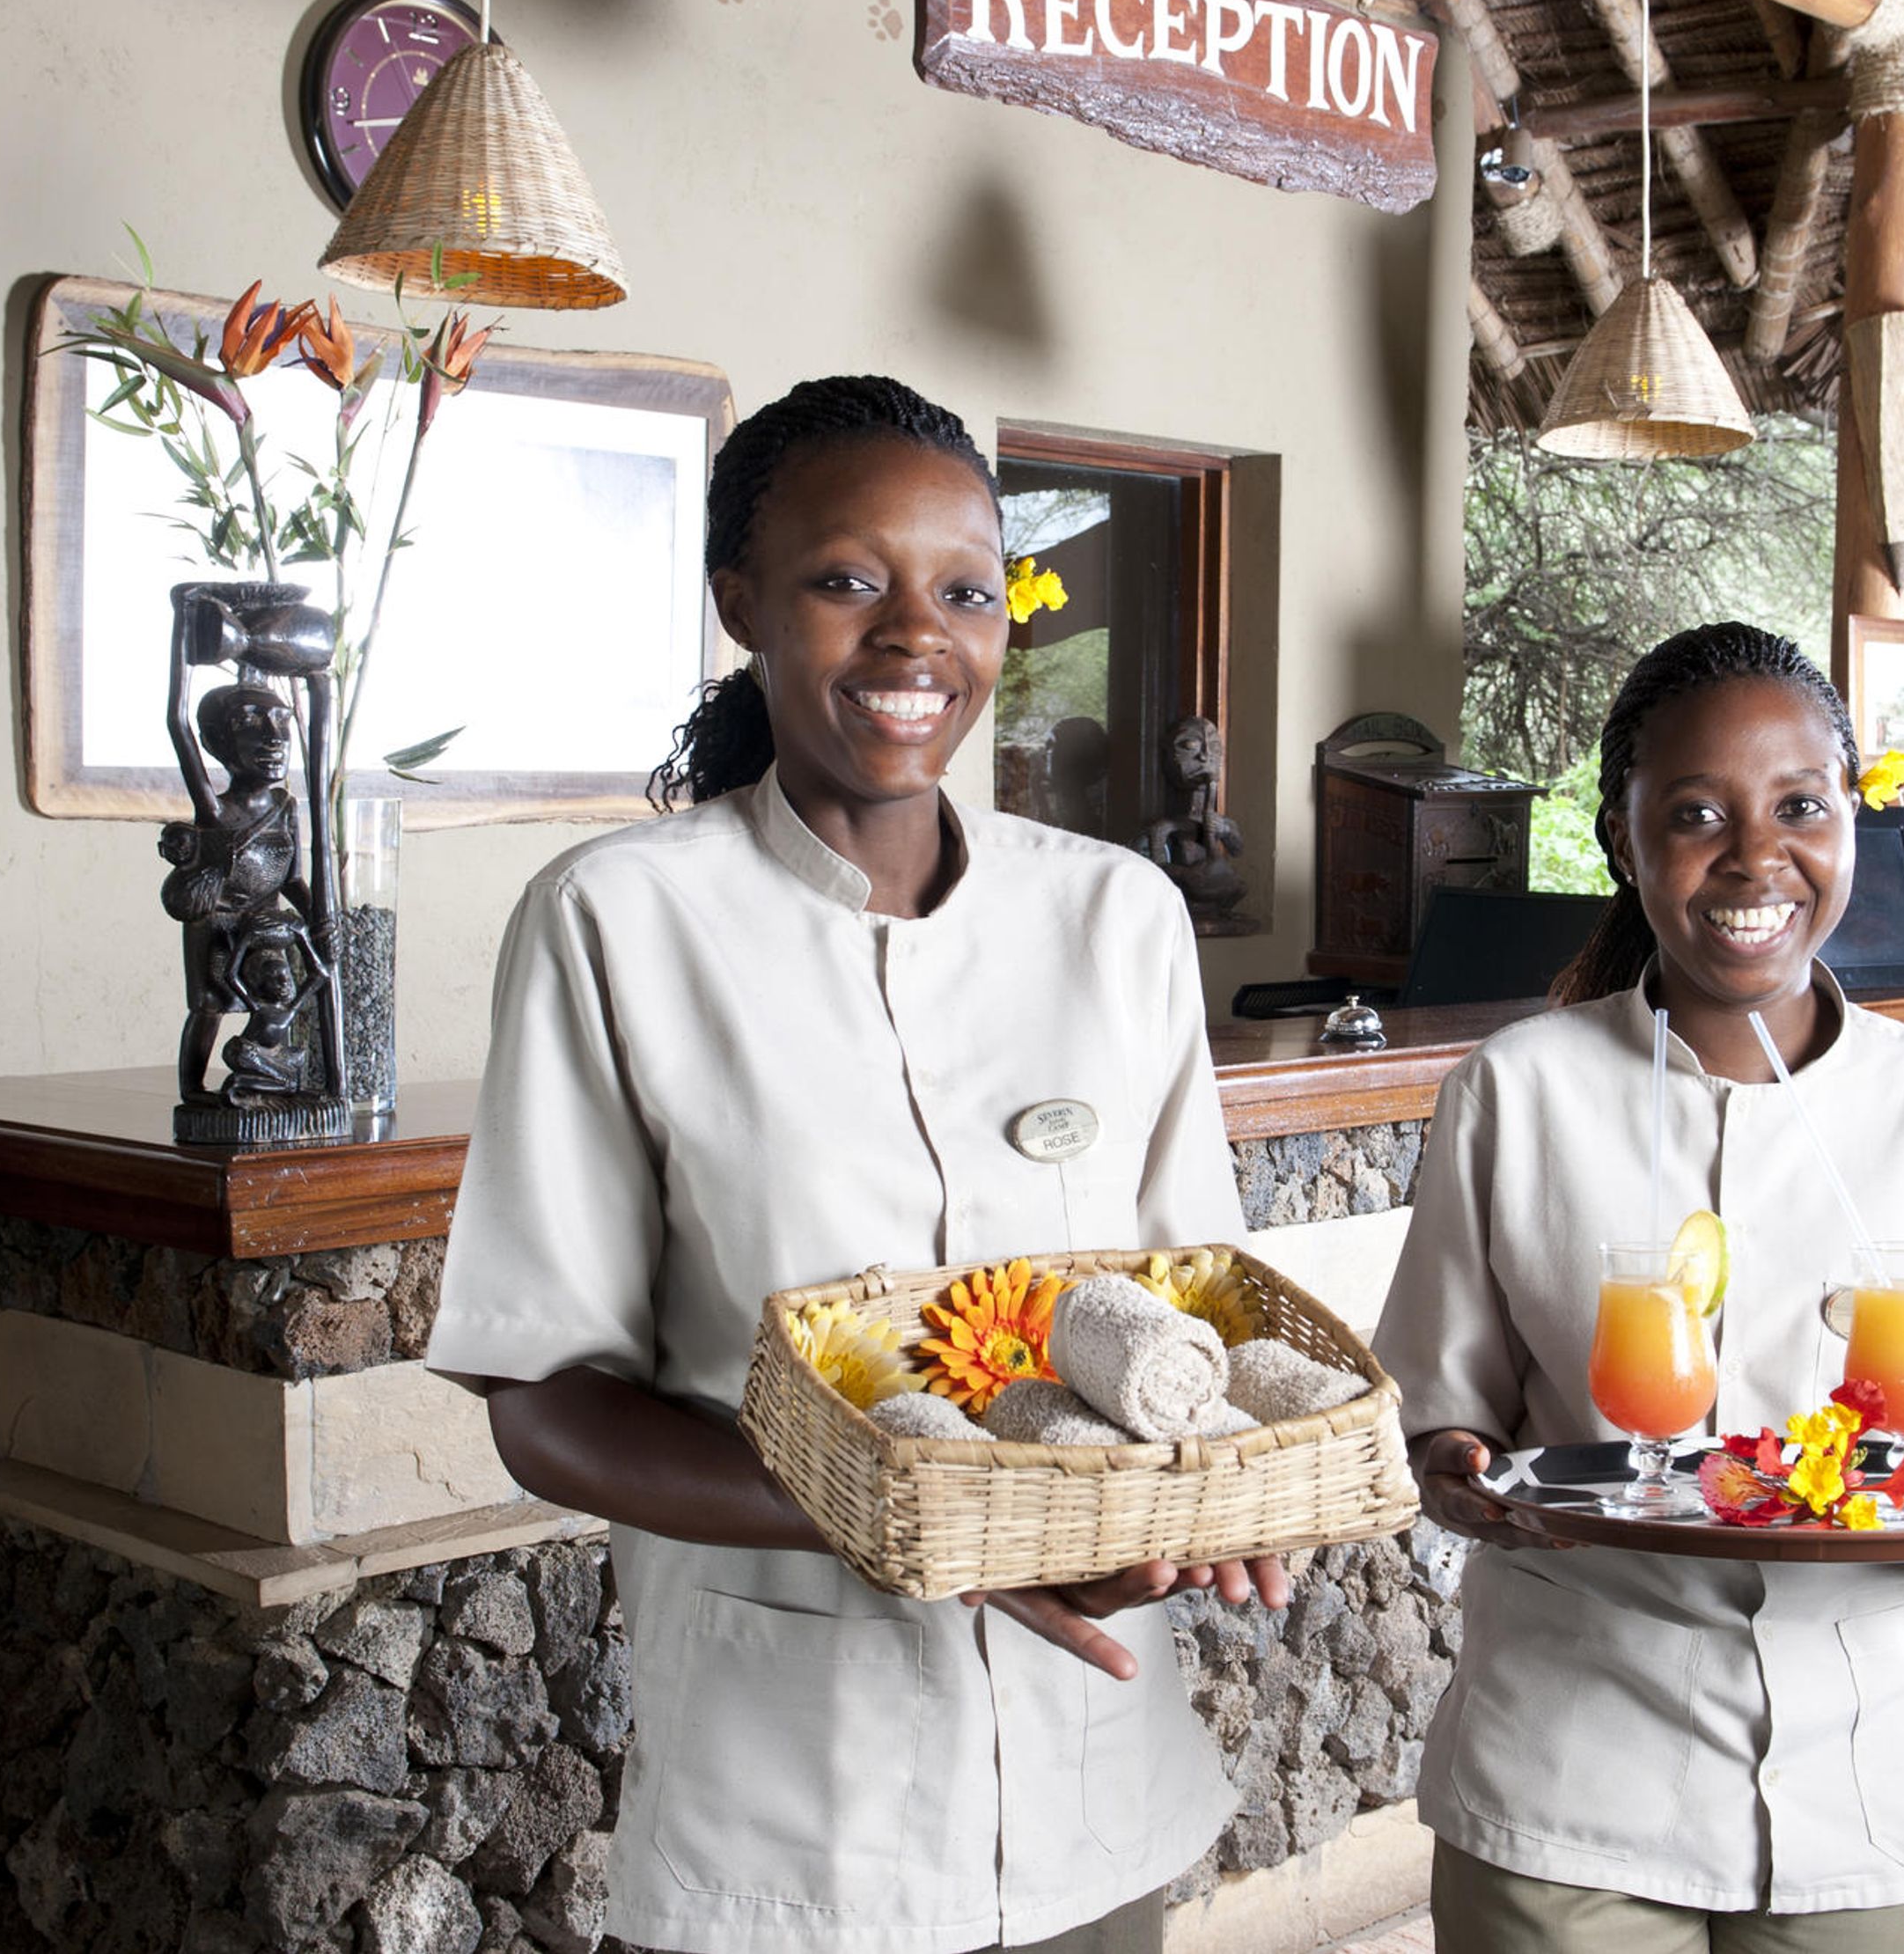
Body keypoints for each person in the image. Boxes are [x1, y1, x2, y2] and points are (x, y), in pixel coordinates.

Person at [427, 376, 1280, 1954]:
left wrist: (1209, 1508)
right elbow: (542, 1400)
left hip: (1095, 1788)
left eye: (965, 590)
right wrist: (898, 1513)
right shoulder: (618, 923)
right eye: (845, 580)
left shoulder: (1118, 920)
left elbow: (1193, 1335)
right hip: (794, 1816)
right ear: (742, 604)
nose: (914, 638)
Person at [1377, 621, 1904, 1952]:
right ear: (1624, 839)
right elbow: (1438, 1412)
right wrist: (1453, 1469)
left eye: (1801, 808)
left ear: (1851, 826)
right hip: (1575, 1764)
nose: (1755, 857)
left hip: (1881, 1775)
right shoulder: (1517, 1092)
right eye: (1698, 813)